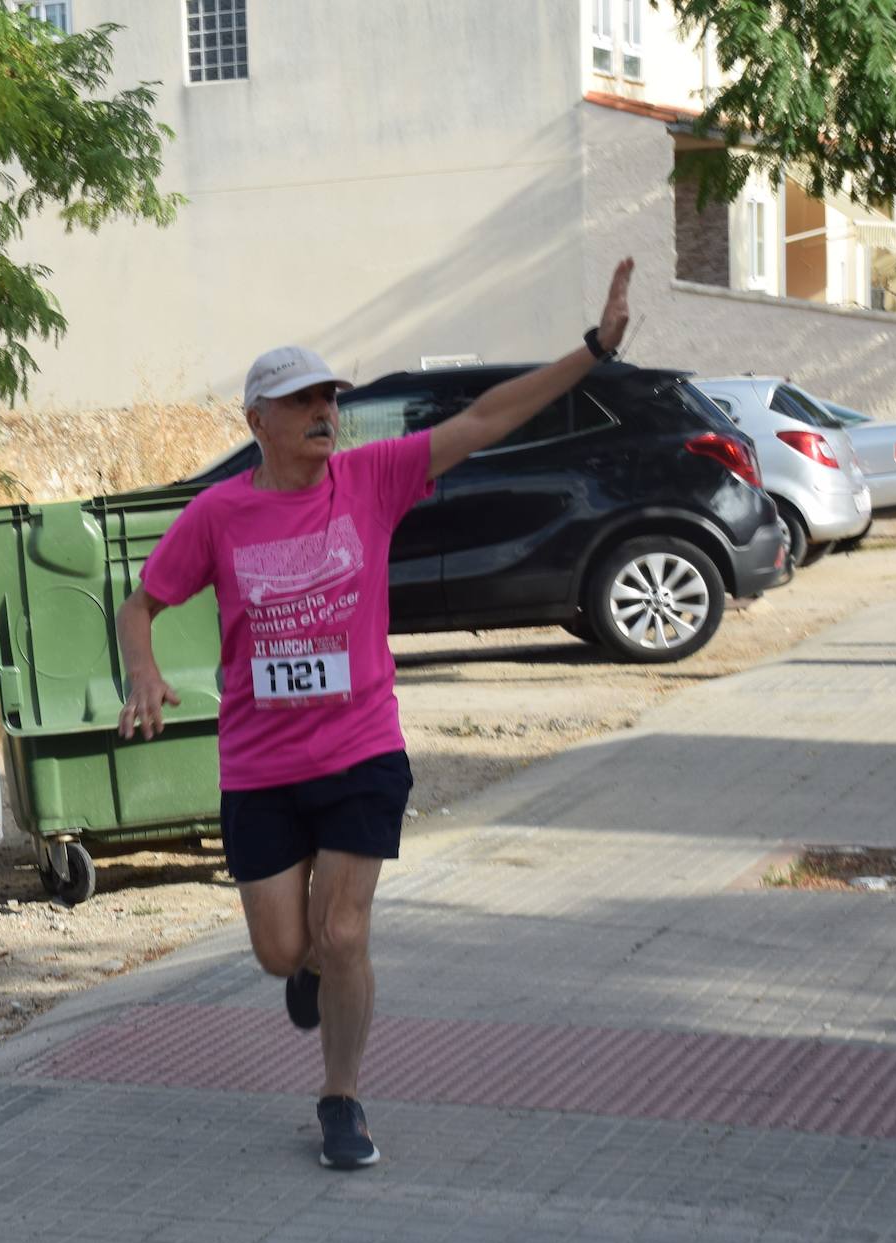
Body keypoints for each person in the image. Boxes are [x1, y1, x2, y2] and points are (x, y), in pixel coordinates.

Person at [115, 257, 635, 1169]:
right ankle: (309, 969)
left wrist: (592, 349)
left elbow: (486, 416)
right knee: (285, 953)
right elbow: (139, 605)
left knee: (345, 931)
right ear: (259, 421)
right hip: (262, 767)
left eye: (332, 397)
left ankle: (341, 1098)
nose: (326, 412)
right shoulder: (219, 514)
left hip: (360, 749)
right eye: (305, 400)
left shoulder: (372, 480)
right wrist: (143, 673)